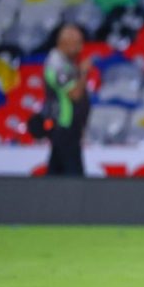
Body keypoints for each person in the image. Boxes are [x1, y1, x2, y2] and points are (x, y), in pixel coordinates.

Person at [43, 24, 91, 176]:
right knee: (74, 174)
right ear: (65, 42)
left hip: (68, 127)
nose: (81, 47)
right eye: (78, 42)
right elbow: (75, 94)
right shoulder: (58, 65)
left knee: (55, 173)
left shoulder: (66, 63)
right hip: (64, 125)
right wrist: (83, 73)